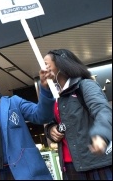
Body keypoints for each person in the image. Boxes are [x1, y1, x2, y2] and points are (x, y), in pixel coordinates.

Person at [43, 49, 112, 180]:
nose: (44, 68)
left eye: (47, 64)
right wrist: (50, 130)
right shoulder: (55, 95)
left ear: (61, 63)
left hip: (97, 163)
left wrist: (101, 135)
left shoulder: (86, 85)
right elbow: (53, 121)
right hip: (70, 166)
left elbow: (102, 110)